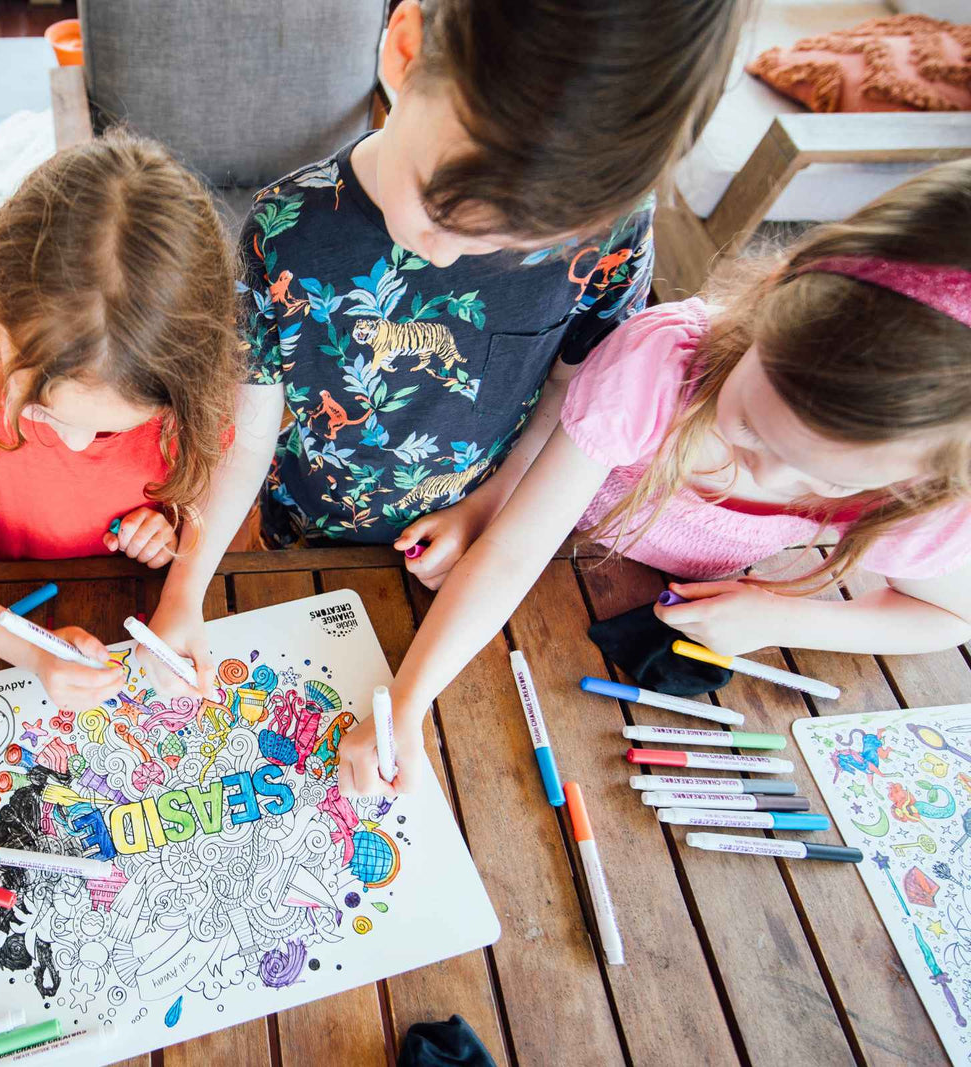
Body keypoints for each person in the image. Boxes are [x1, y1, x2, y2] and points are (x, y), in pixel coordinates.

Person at [140, 0, 746, 700]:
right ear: (403, 48)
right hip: (307, 532)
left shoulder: (608, 235)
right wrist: (187, 586)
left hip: (493, 539)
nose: (449, 251)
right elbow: (244, 437)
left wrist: (495, 500)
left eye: (505, 245)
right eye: (438, 208)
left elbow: (572, 398)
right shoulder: (285, 229)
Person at [338, 160, 971, 796]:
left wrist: (782, 620)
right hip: (567, 548)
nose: (766, 471)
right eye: (751, 427)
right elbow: (514, 551)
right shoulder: (660, 367)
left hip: (659, 600)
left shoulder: (922, 493)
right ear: (773, 300)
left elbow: (944, 618)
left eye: (829, 482)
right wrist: (407, 704)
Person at [0, 131, 245, 710]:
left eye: (115, 429)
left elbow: (210, 491)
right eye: (43, 411)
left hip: (147, 596)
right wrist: (31, 650)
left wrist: (173, 527)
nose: (75, 441)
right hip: (11, 603)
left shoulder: (190, 382)